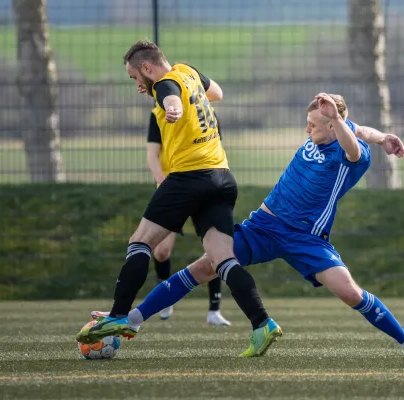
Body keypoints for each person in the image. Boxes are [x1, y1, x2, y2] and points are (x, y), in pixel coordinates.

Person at [117, 93, 404, 357]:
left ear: (333, 125)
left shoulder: (351, 155)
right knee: (204, 267)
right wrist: (384, 135)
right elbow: (360, 130)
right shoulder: (329, 133)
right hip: (263, 227)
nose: (307, 130)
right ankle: (131, 320)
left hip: (305, 238)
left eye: (313, 124)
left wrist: (350, 126)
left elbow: (353, 143)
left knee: (349, 292)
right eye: (308, 123)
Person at [76, 40, 282, 357]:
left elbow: (170, 94)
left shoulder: (165, 83)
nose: (137, 86)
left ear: (147, 68)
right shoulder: (188, 72)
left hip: (189, 176)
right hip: (222, 177)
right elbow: (218, 94)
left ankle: (118, 316)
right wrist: (189, 101)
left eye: (135, 78)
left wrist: (173, 107)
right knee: (223, 260)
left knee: (140, 242)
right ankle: (262, 323)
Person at [146, 107, 230, 326]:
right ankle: (165, 298)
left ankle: (214, 310)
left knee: (215, 250)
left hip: (204, 186)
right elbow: (152, 154)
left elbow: (216, 148)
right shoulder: (160, 113)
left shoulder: (206, 111)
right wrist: (162, 184)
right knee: (162, 251)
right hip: (175, 189)